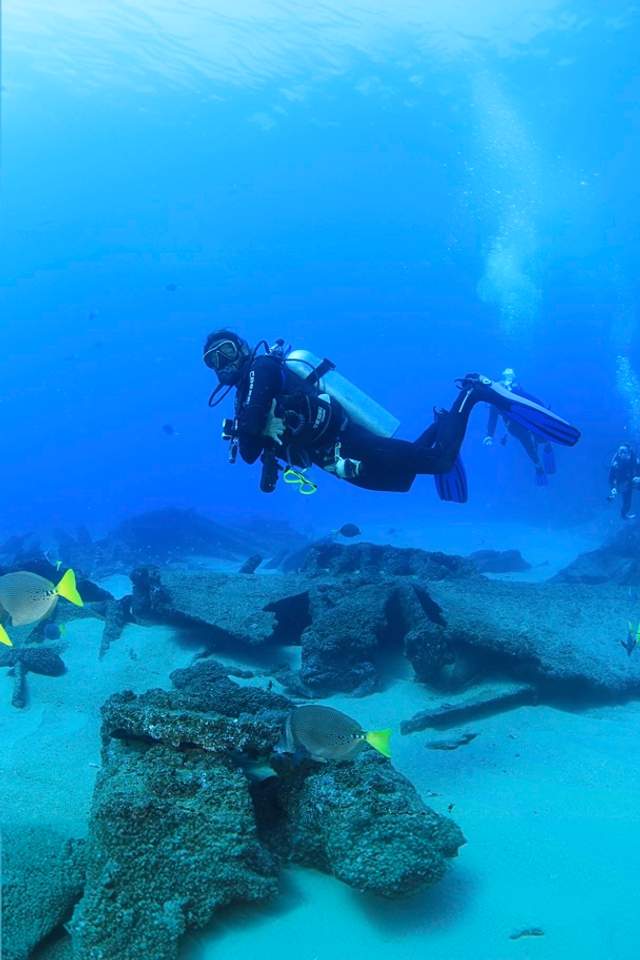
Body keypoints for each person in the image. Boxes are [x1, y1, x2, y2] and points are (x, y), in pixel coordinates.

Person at [203, 331, 581, 501]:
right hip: (329, 457)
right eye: (213, 362)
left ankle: (473, 393)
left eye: (225, 351)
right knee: (401, 481)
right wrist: (254, 433)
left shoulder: (262, 368)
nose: (223, 364)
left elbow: (251, 433)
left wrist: (254, 430)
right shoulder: (244, 393)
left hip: (341, 439)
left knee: (440, 460)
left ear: (242, 346)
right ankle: (440, 422)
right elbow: (251, 451)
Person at [483, 367, 557, 486]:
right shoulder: (495, 402)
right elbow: (492, 419)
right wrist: (489, 435)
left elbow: (531, 401)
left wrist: (544, 410)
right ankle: (539, 468)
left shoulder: (517, 391)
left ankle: (547, 448)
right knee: (529, 446)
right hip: (515, 427)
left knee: (540, 438)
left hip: (528, 421)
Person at [608, 443, 640, 520]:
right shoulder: (615, 464)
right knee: (627, 504)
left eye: (624, 451)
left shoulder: (635, 461)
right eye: (619, 452)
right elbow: (610, 478)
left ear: (629, 453)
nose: (621, 454)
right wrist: (613, 488)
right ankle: (624, 516)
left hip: (635, 482)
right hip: (625, 485)